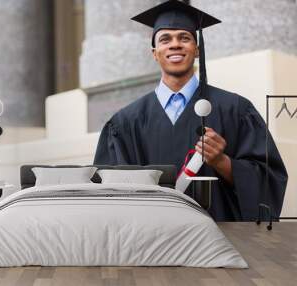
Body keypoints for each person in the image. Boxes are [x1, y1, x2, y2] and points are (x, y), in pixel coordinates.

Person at [93, 0, 288, 221]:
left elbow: (269, 180)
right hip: (152, 242)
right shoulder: (125, 123)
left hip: (220, 239)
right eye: (165, 39)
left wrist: (222, 162)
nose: (175, 44)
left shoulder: (236, 109)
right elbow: (107, 193)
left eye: (184, 38)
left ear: (197, 50)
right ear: (154, 53)